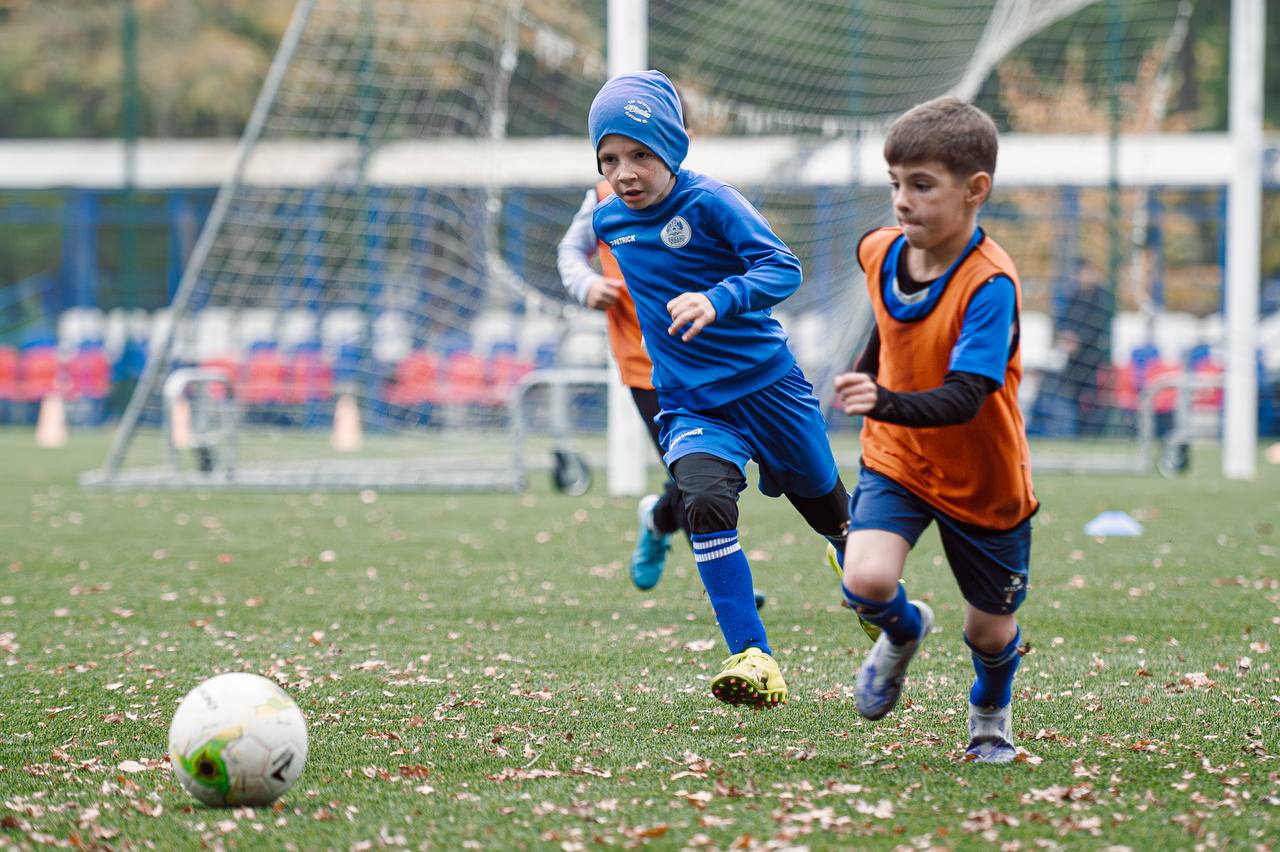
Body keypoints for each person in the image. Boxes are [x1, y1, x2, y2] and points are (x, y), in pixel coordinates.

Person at [587, 70, 852, 707]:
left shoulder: (712, 202)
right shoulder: (606, 223)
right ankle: (753, 655)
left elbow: (782, 267)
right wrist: (579, 283)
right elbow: (575, 249)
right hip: (692, 402)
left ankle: (860, 569)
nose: (625, 172)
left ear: (672, 150)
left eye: (640, 155)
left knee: (836, 520)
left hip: (771, 390)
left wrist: (717, 299)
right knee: (703, 499)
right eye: (609, 159)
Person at [833, 97, 1038, 763]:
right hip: (899, 461)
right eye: (895, 183)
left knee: (987, 630)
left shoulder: (989, 284)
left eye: (921, 185)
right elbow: (885, 326)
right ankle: (902, 630)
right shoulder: (878, 250)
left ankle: (989, 712)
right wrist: (865, 377)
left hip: (984, 482)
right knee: (864, 579)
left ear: (976, 190)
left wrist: (881, 398)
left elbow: (965, 396)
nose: (902, 201)